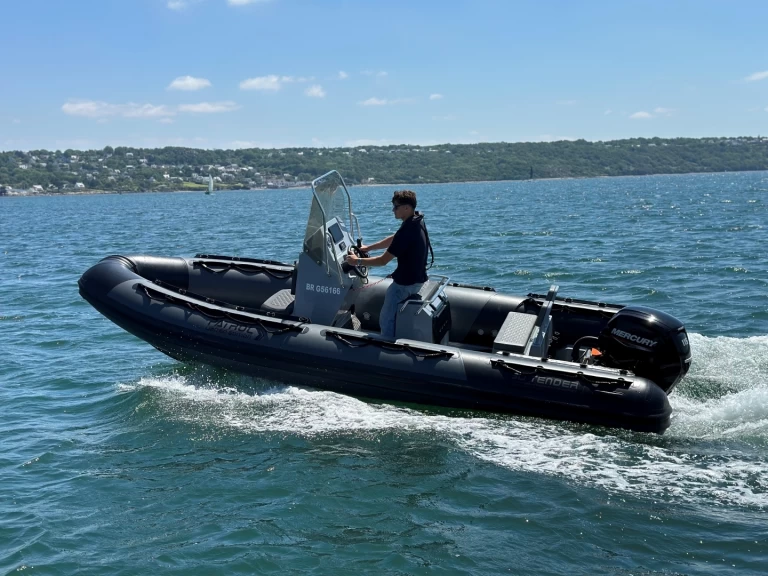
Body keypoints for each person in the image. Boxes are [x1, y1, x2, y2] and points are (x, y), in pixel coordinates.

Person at [345, 190, 432, 338]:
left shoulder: (407, 231)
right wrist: (369, 248)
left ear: (406, 208)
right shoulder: (416, 220)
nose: (393, 210)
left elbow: (382, 261)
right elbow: (395, 238)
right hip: (418, 280)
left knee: (386, 320)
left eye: (396, 207)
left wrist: (356, 261)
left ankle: (388, 345)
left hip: (404, 285)